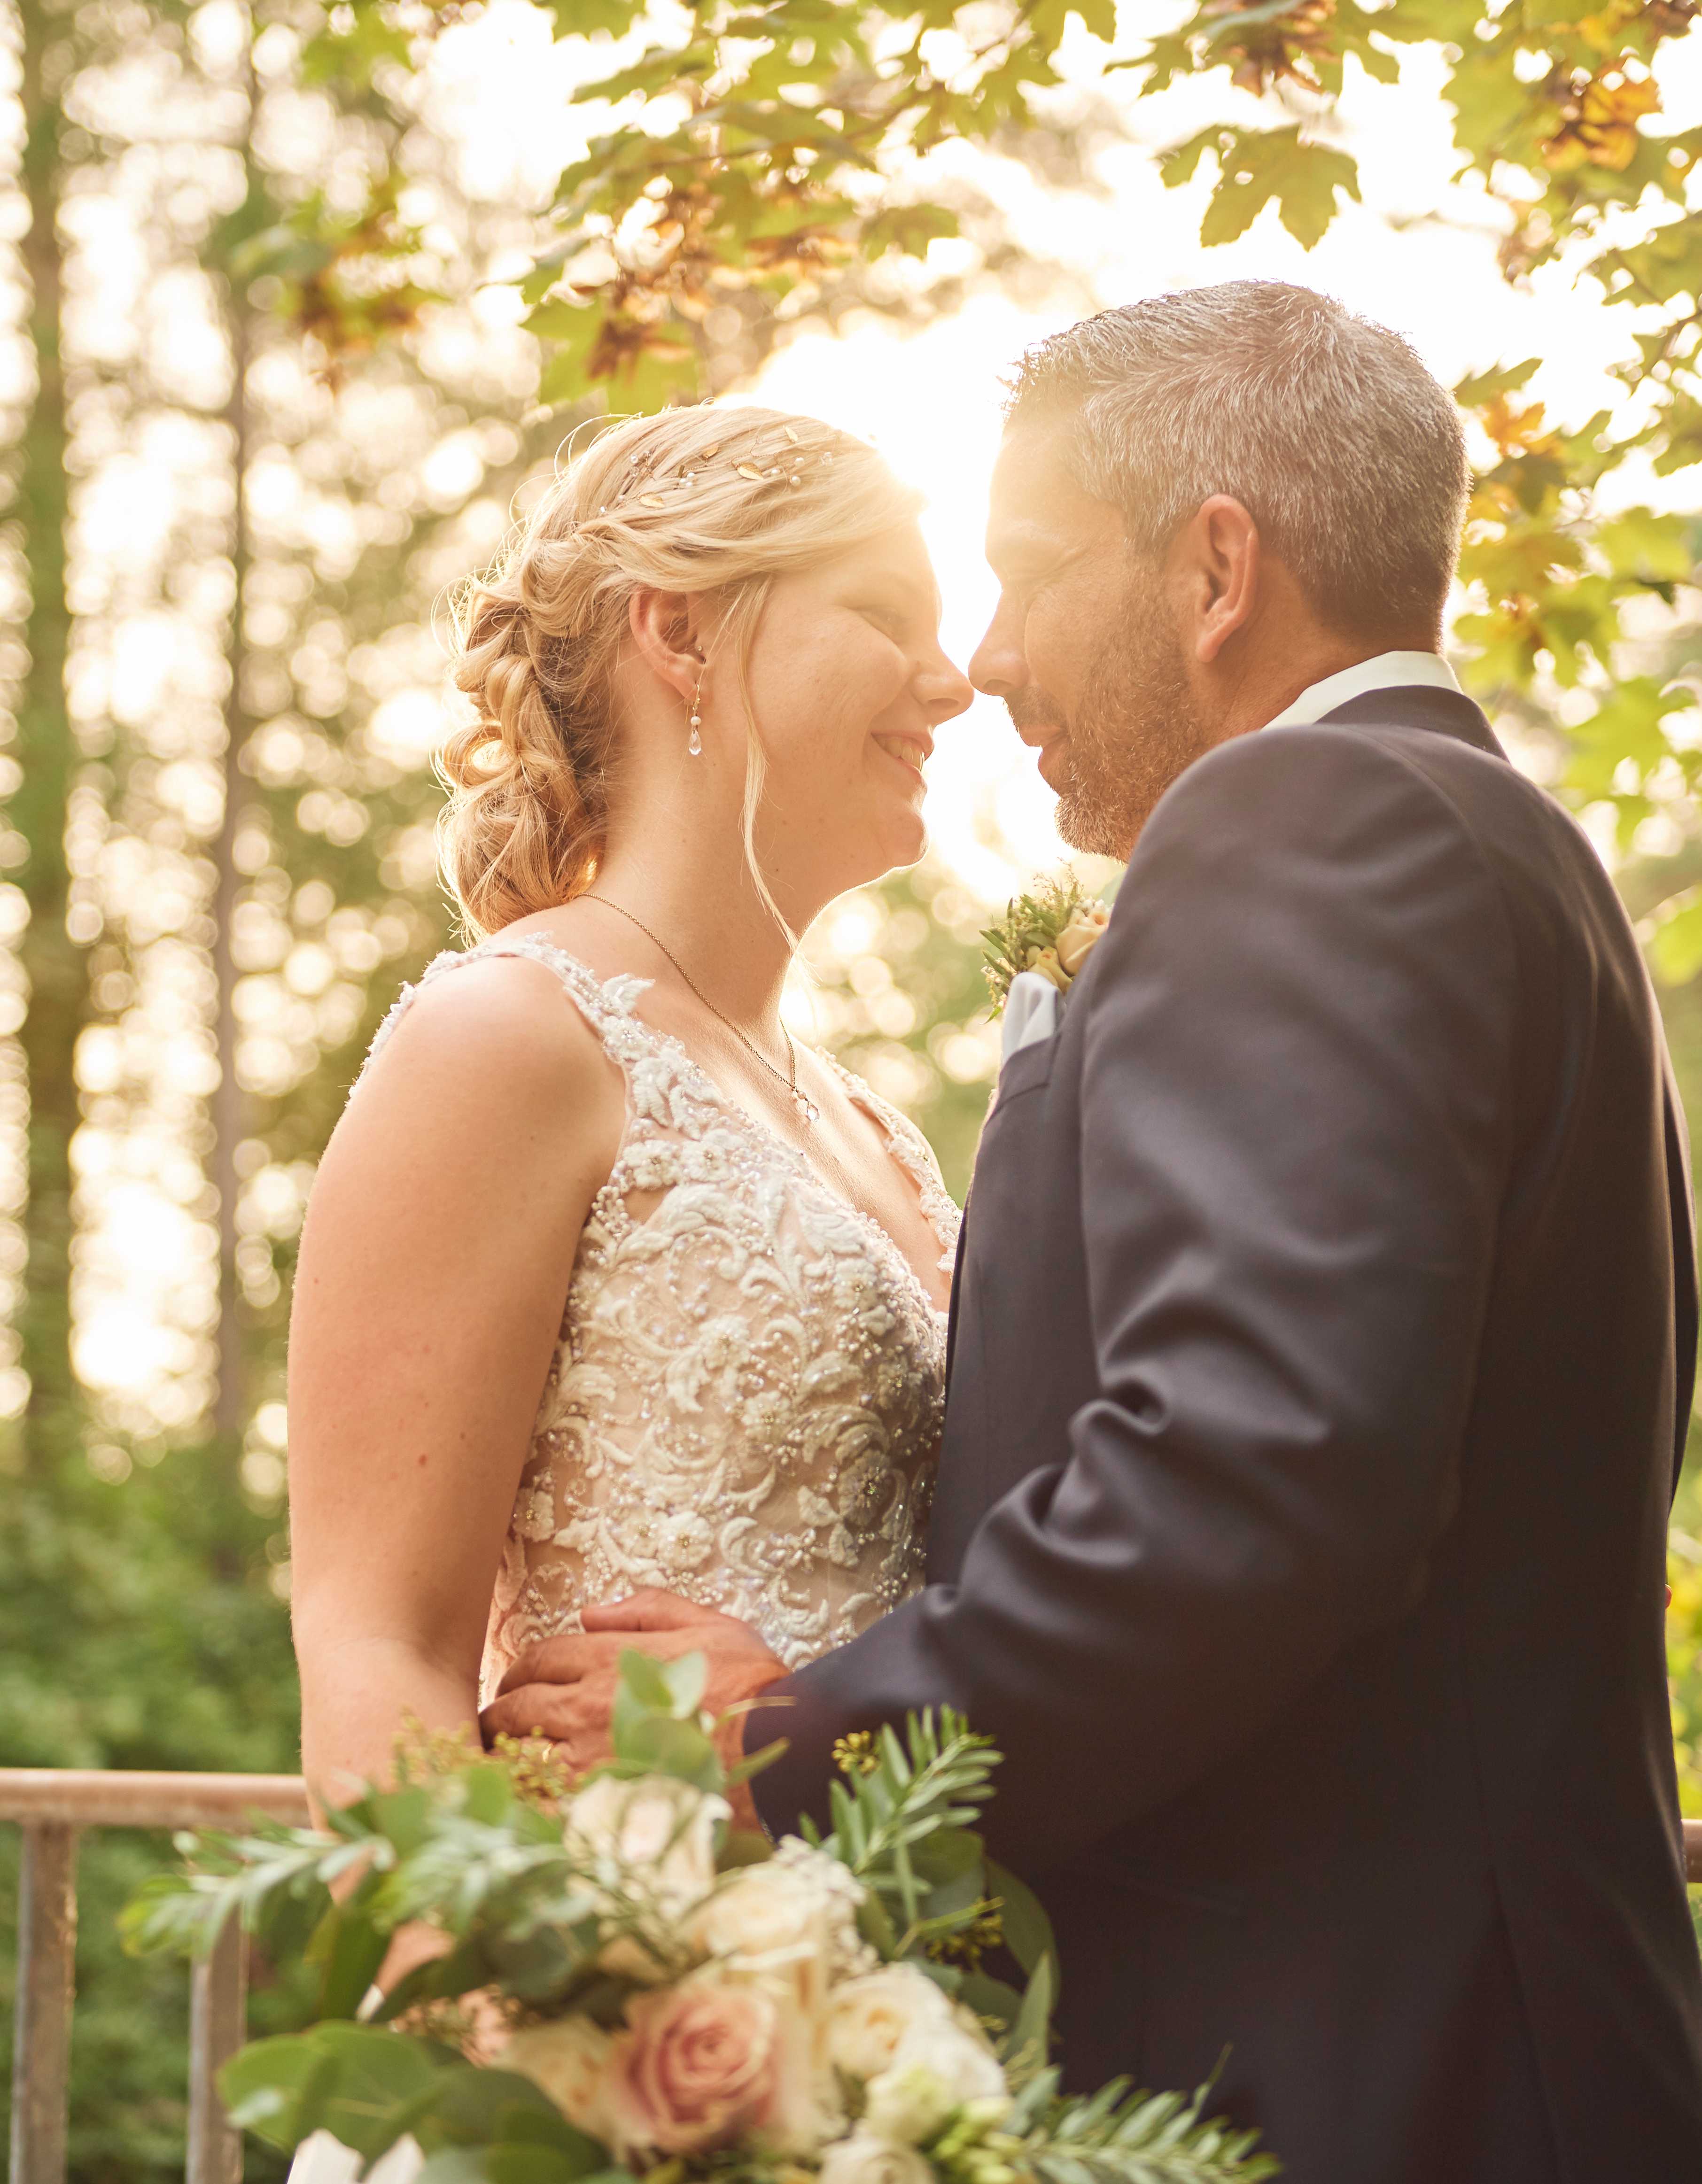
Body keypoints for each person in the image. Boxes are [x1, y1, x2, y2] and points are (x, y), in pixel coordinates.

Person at [485, 285, 1702, 2183]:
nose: (987, 658)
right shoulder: (1491, 844)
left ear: (1216, 565)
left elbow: (1255, 1466)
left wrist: (795, 1734)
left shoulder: (1308, 818)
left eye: (1025, 573)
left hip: (1359, 2075)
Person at [286, 400, 971, 1835]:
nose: (950, 680)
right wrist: (492, 2020)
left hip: (917, 1983)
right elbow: (380, 1652)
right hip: (621, 1981)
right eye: (887, 614)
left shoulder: (876, 1130)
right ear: (683, 634)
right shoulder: (506, 1040)